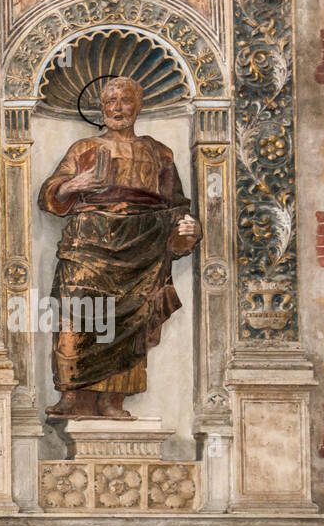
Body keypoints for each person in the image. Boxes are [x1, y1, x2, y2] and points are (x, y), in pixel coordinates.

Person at [37, 76, 201, 419]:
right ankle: (71, 394)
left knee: (130, 320)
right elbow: (49, 194)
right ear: (101, 108)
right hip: (88, 241)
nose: (117, 108)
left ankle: (113, 399)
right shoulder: (84, 148)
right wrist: (73, 184)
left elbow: (176, 207)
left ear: (138, 105)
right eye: (110, 101)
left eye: (125, 100)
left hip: (141, 244)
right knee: (74, 315)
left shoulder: (158, 152)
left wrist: (187, 231)